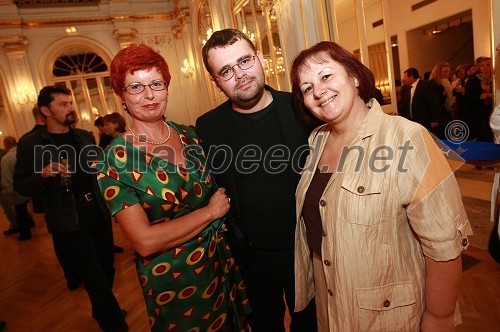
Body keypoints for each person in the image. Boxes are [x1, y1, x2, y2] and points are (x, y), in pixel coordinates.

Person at [289, 41, 472, 331]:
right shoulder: (317, 139)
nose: (318, 91)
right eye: (307, 88)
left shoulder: (407, 137)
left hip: (388, 317)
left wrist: (438, 318)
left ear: (355, 77)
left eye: (325, 76)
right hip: (331, 305)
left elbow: (444, 244)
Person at [93, 43, 250, 331]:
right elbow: (145, 241)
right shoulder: (115, 160)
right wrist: (210, 213)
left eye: (156, 84)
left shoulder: (190, 134)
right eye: (136, 87)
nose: (149, 95)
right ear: (122, 96)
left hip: (223, 262)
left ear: (167, 87)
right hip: (176, 280)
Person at [196, 28, 317, 331]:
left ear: (261, 59)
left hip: (307, 250)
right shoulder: (208, 127)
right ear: (216, 82)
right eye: (226, 70)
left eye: (245, 61)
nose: (240, 74)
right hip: (250, 260)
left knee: (312, 325)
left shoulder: (302, 108)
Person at [13, 85, 128, 331]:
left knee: (107, 267)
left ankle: (102, 307)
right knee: (94, 276)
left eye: (70, 103)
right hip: (68, 219)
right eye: (63, 104)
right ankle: (114, 323)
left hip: (97, 212)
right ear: (46, 110)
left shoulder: (84, 136)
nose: (70, 108)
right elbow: (20, 185)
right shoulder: (31, 144)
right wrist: (42, 174)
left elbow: (99, 173)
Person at [1, 136, 32, 241]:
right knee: (24, 210)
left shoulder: (6, 159)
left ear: (5, 145)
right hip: (27, 187)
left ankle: (25, 234)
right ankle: (31, 223)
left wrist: (7, 194)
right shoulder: (23, 153)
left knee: (20, 213)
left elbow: (6, 179)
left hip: (16, 190)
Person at [398, 67, 441, 136]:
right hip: (412, 120)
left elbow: (433, 102)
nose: (404, 79)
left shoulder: (426, 85)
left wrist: (435, 119)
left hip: (425, 120)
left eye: (405, 77)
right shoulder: (406, 88)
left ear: (411, 77)